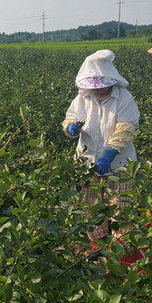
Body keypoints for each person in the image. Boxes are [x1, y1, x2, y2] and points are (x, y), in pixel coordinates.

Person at [62, 49, 140, 244]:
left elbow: (125, 128)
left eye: (102, 85)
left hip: (120, 164)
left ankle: (122, 250)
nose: (98, 89)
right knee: (92, 209)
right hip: (87, 164)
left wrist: (109, 154)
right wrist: (70, 126)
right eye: (94, 86)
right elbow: (71, 116)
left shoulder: (123, 98)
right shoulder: (83, 98)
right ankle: (98, 247)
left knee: (122, 209)